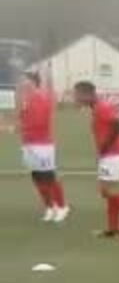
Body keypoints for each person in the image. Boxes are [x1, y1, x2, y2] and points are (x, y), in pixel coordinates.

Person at [73, 81, 119, 238]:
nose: (76, 98)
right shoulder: (96, 108)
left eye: (78, 95)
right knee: (109, 192)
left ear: (88, 94)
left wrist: (105, 146)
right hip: (109, 154)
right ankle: (113, 229)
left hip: (112, 154)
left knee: (107, 191)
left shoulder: (101, 108)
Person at [17, 71, 69, 223]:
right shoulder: (26, 99)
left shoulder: (40, 98)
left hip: (42, 145)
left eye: (25, 81)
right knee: (36, 177)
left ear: (33, 82)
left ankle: (62, 207)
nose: (22, 84)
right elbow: (23, 119)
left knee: (48, 176)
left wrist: (21, 128)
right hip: (28, 143)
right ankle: (49, 207)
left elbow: (39, 122)